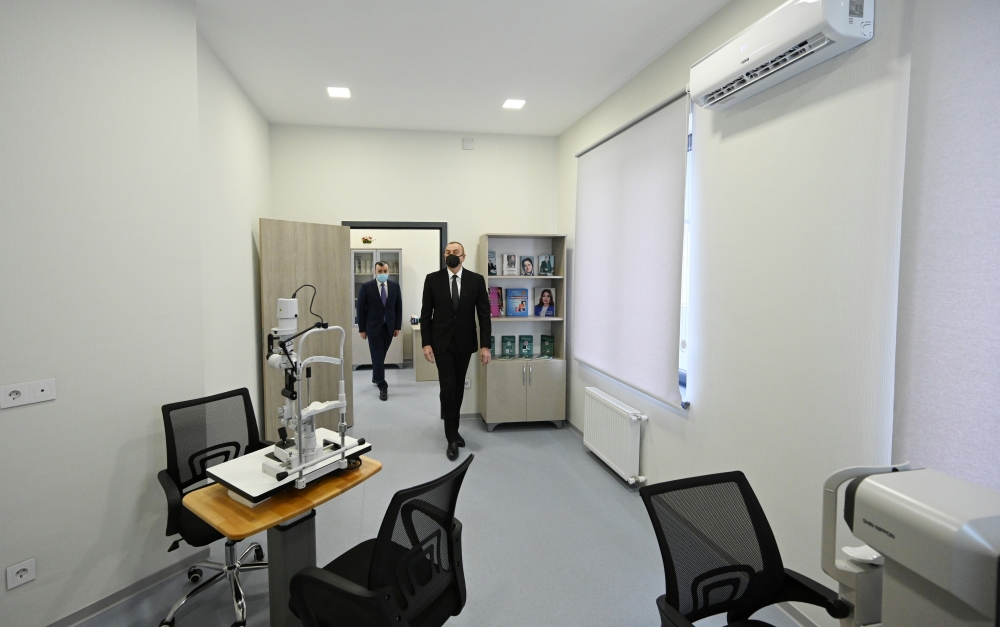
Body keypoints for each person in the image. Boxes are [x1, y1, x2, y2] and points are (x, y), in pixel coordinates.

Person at [421, 241, 491, 460]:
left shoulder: (476, 280)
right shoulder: (432, 279)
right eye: (448, 252)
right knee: (448, 386)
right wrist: (426, 343)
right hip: (441, 343)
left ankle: (454, 428)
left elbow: (484, 315)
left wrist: (485, 345)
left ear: (463, 257)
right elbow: (426, 314)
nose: (451, 255)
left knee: (458, 387)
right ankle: (451, 437)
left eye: (455, 252)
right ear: (444, 256)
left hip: (464, 343)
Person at [356, 261, 402, 401]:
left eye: (385, 271)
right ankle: (383, 386)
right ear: (375, 272)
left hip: (389, 327)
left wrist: (397, 327)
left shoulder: (394, 286)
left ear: (388, 271)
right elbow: (360, 308)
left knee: (380, 356)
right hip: (373, 327)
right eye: (380, 271)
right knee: (377, 357)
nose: (383, 273)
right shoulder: (366, 287)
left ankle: (376, 376)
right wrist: (362, 329)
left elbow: (398, 307)